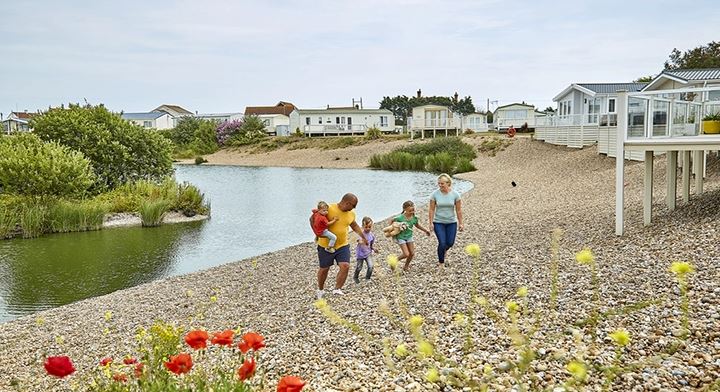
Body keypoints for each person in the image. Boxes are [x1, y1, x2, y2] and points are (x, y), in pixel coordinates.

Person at [311, 193, 367, 299]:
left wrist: (363, 236)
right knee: (324, 269)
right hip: (325, 245)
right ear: (347, 203)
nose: (354, 208)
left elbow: (354, 225)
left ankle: (337, 289)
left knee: (345, 266)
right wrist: (316, 232)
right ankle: (320, 289)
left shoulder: (351, 214)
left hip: (343, 245)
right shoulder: (329, 208)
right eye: (353, 205)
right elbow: (312, 219)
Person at [428, 173, 463, 266]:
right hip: (438, 222)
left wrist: (461, 223)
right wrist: (430, 223)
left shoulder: (455, 195)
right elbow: (431, 209)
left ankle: (443, 251)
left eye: (442, 183)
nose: (440, 185)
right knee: (442, 242)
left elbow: (458, 210)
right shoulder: (434, 194)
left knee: (450, 243)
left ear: (448, 183)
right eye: (439, 183)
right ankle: (441, 263)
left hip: (451, 222)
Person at [391, 200, 431, 271]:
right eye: (410, 211)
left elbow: (417, 225)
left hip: (409, 236)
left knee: (412, 253)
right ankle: (394, 261)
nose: (412, 212)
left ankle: (406, 266)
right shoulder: (400, 218)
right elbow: (392, 221)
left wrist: (425, 230)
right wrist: (392, 230)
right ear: (404, 210)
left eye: (413, 210)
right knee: (406, 254)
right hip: (401, 237)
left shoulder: (414, 218)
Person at [353, 216, 378, 283]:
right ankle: (355, 277)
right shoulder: (361, 234)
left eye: (369, 227)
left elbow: (371, 245)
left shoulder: (371, 235)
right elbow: (358, 240)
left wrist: (374, 249)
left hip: (368, 254)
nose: (368, 228)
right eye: (366, 227)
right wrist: (362, 241)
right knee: (359, 267)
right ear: (362, 226)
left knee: (371, 266)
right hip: (360, 254)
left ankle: (367, 278)